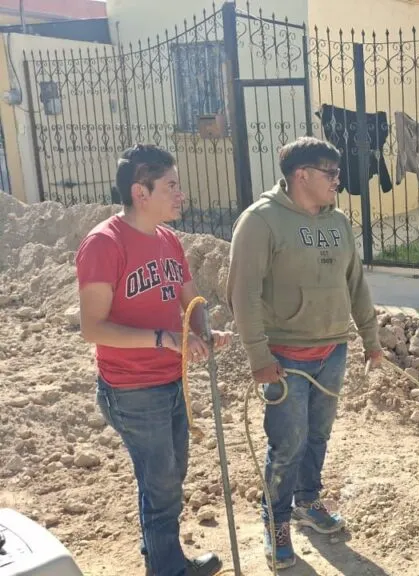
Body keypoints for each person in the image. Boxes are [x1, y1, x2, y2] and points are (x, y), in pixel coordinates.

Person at [227, 136, 383, 569]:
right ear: (302, 176)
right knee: (288, 443)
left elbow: (355, 284)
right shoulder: (260, 222)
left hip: (332, 351)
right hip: (285, 358)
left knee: (318, 435)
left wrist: (370, 339)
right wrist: (259, 357)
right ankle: (275, 522)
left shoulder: (337, 223)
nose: (338, 180)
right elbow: (243, 293)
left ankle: (307, 502)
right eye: (330, 173)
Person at [76, 144, 231, 576]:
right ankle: (166, 569)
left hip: (170, 380)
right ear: (140, 192)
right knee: (161, 482)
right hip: (131, 388)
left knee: (168, 476)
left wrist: (202, 330)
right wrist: (162, 339)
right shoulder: (104, 244)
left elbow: (189, 298)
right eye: (171, 186)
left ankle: (162, 558)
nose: (181, 194)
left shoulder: (168, 240)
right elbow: (92, 328)